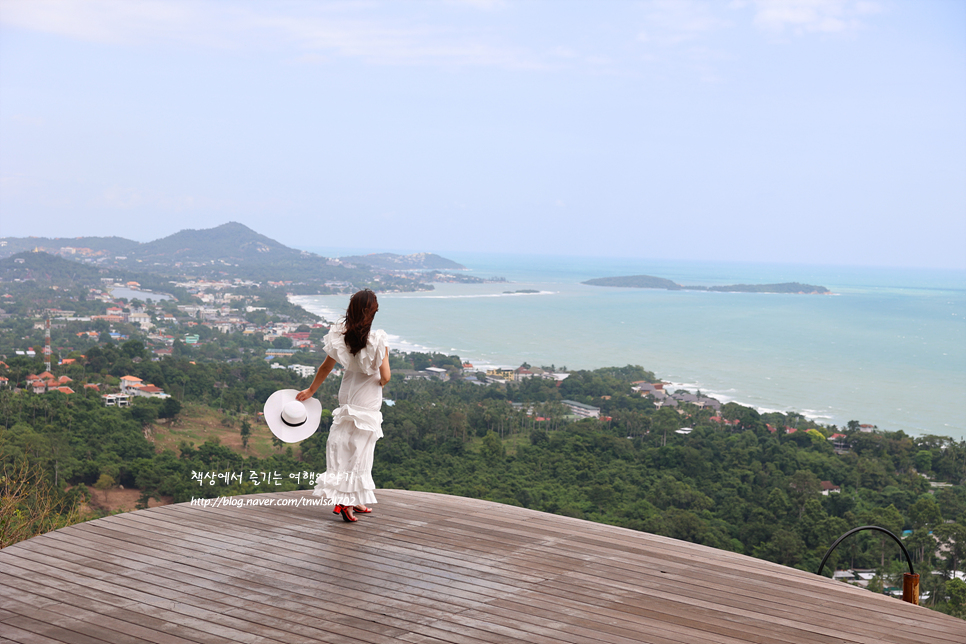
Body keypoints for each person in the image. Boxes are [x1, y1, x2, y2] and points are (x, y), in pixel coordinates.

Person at [296, 289, 391, 522]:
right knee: (360, 451)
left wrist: (311, 390)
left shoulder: (340, 336)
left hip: (347, 396)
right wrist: (378, 382)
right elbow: (386, 376)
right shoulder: (378, 340)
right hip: (367, 400)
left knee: (343, 447)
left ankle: (353, 499)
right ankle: (345, 504)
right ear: (373, 312)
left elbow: (325, 368)